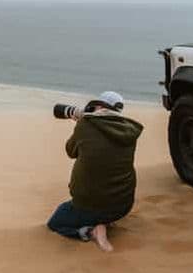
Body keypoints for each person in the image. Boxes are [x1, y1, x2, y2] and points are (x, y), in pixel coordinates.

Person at [47, 91, 143, 252]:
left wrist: (81, 123)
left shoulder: (86, 125)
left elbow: (71, 151)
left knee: (55, 222)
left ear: (98, 106)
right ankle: (103, 221)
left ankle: (90, 231)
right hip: (123, 206)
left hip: (90, 206)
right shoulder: (129, 131)